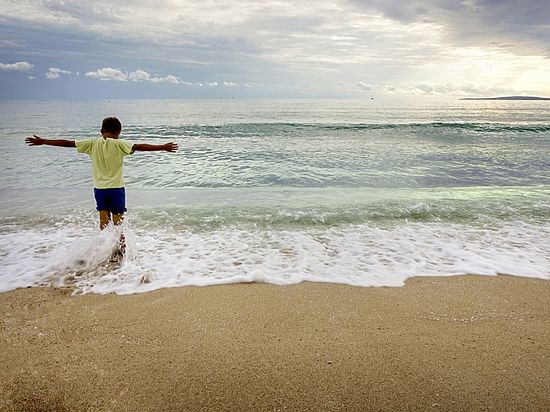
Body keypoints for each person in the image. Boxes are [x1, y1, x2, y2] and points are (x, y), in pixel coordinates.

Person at [25, 116, 178, 255]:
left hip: (100, 190)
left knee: (104, 223)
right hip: (117, 189)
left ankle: (103, 252)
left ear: (101, 131)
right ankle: (122, 252)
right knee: (118, 223)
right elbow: (140, 146)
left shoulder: (92, 143)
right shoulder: (119, 144)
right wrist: (162, 147)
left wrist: (44, 141)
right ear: (119, 132)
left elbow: (67, 143)